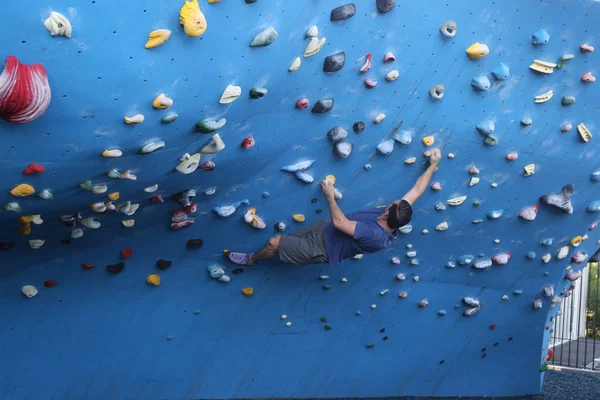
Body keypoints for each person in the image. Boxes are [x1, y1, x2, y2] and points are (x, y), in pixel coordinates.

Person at [226, 148, 442, 266]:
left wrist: (330, 196)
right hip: (324, 230)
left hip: (322, 249)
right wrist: (432, 165)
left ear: (386, 213)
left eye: (391, 204)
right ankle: (288, 252)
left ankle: (252, 260)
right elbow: (416, 190)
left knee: (274, 242)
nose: (392, 201)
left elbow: (341, 223)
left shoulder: (374, 234)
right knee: (289, 241)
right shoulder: (397, 215)